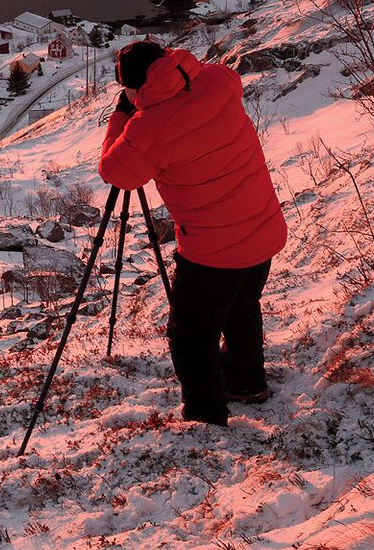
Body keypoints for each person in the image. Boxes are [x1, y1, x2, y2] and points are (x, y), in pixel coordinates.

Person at [96, 39, 285, 426]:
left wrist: (122, 115)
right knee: (241, 307)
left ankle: (205, 415)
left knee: (191, 335)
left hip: (213, 251)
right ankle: (246, 382)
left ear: (133, 87)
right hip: (262, 226)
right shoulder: (217, 80)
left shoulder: (149, 126)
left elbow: (116, 172)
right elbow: (224, 80)